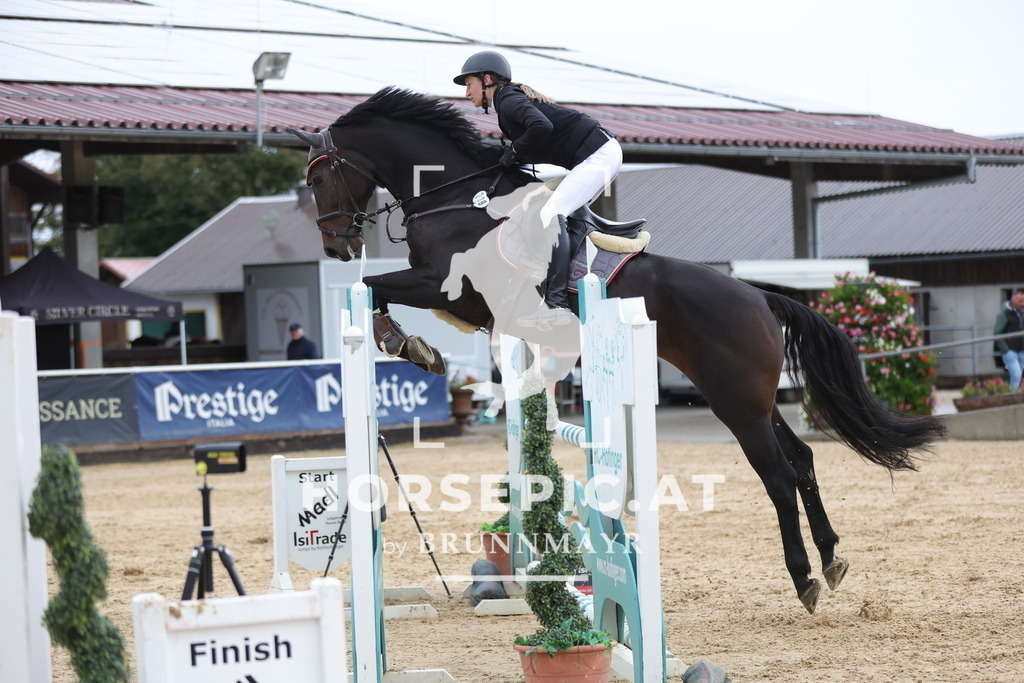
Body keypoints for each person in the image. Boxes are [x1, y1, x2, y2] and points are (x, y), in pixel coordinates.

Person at [454, 50, 623, 325]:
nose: (466, 92)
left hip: (598, 155)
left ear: (486, 79)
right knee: (554, 211)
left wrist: (516, 149)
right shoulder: (506, 102)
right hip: (598, 154)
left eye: (469, 83)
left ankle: (555, 305)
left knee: (551, 214)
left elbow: (540, 126)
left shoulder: (506, 99)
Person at [994, 288, 1024, 389]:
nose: (1023, 304)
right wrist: (1006, 350)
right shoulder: (1004, 314)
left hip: (1022, 350)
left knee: (1020, 375)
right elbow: (997, 333)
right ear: (1013, 301)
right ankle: (1013, 395)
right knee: (1016, 374)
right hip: (1011, 351)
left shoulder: (1022, 313)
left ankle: (1017, 395)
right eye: (1020, 301)